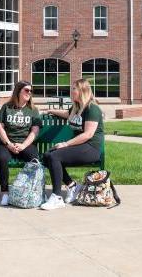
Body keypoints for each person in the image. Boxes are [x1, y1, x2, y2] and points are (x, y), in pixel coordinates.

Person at [41, 79, 104, 210]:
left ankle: (57, 197)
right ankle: (72, 186)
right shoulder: (77, 107)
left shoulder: (92, 108)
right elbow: (66, 114)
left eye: (74, 89)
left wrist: (66, 144)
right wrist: (50, 111)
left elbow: (88, 134)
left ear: (82, 91)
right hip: (79, 147)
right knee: (47, 155)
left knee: (54, 157)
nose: (72, 91)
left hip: (91, 148)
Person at [0, 81, 42, 206]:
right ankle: (5, 193)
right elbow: (0, 127)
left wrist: (23, 145)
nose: (29, 93)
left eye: (31, 91)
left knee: (34, 159)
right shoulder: (7, 107)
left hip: (25, 144)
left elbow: (34, 131)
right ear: (18, 91)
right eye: (26, 90)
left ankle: (33, 190)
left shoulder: (33, 110)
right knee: (2, 158)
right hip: (7, 143)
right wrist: (8, 143)